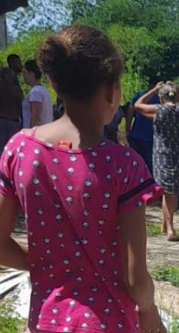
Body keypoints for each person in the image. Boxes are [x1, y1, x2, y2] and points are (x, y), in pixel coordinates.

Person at [0, 25, 165, 333]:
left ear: (53, 82)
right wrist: (149, 311)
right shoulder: (123, 165)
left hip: (46, 320)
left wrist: (45, 264)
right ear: (112, 91)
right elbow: (135, 278)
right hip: (109, 322)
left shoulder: (20, 151)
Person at [135, 82, 179, 241]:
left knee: (167, 193)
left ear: (160, 98)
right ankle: (165, 225)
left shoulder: (160, 110)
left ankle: (170, 228)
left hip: (163, 155)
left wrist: (153, 89)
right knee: (173, 192)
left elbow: (138, 105)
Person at [126, 83, 159, 174]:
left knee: (134, 162)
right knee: (150, 166)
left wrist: (127, 128)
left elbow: (130, 110)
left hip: (136, 133)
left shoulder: (140, 96)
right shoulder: (160, 99)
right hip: (152, 137)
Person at [22, 59, 54, 128]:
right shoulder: (43, 90)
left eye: (25, 72)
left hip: (37, 132)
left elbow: (36, 117)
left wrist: (30, 134)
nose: (23, 76)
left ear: (31, 73)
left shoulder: (35, 92)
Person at [0, 67, 23, 149]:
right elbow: (21, 105)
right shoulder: (16, 90)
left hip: (2, 119)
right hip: (14, 120)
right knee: (13, 146)